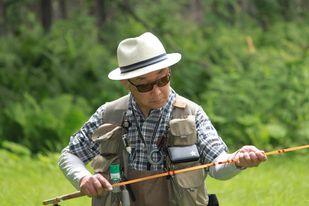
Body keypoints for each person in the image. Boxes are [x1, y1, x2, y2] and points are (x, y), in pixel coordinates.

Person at [59, 32, 267, 206]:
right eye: (144, 85)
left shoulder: (192, 114)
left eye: (163, 79)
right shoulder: (109, 115)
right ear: (126, 84)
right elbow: (69, 155)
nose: (157, 91)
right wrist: (83, 178)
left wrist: (238, 160)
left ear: (169, 72)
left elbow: (218, 166)